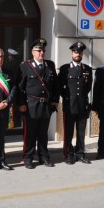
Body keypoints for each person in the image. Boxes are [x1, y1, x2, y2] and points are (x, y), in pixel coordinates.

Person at [17, 38, 59, 169]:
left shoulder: (50, 65)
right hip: (31, 105)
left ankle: (44, 157)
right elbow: (19, 87)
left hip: (45, 105)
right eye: (39, 50)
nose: (42, 53)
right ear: (32, 52)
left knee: (43, 133)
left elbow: (55, 85)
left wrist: (55, 100)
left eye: (43, 50)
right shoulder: (25, 66)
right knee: (30, 134)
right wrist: (21, 103)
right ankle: (28, 157)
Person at [58, 42, 93, 165]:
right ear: (72, 53)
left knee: (81, 131)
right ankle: (69, 154)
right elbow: (60, 87)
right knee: (68, 132)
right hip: (69, 105)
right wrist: (67, 98)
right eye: (75, 52)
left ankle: (80, 153)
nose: (77, 54)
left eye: (79, 52)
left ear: (82, 54)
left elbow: (88, 87)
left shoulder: (87, 69)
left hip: (82, 105)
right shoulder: (64, 69)